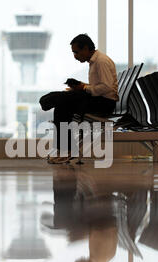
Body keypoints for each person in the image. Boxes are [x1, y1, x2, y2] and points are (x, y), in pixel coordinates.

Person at [39, 34, 119, 164]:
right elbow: (100, 86)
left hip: (104, 103)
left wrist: (84, 88)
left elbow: (106, 87)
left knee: (62, 104)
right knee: (62, 104)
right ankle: (65, 149)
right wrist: (82, 87)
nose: (75, 56)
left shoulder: (101, 61)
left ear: (86, 48)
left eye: (76, 52)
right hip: (99, 100)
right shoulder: (96, 61)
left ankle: (66, 149)